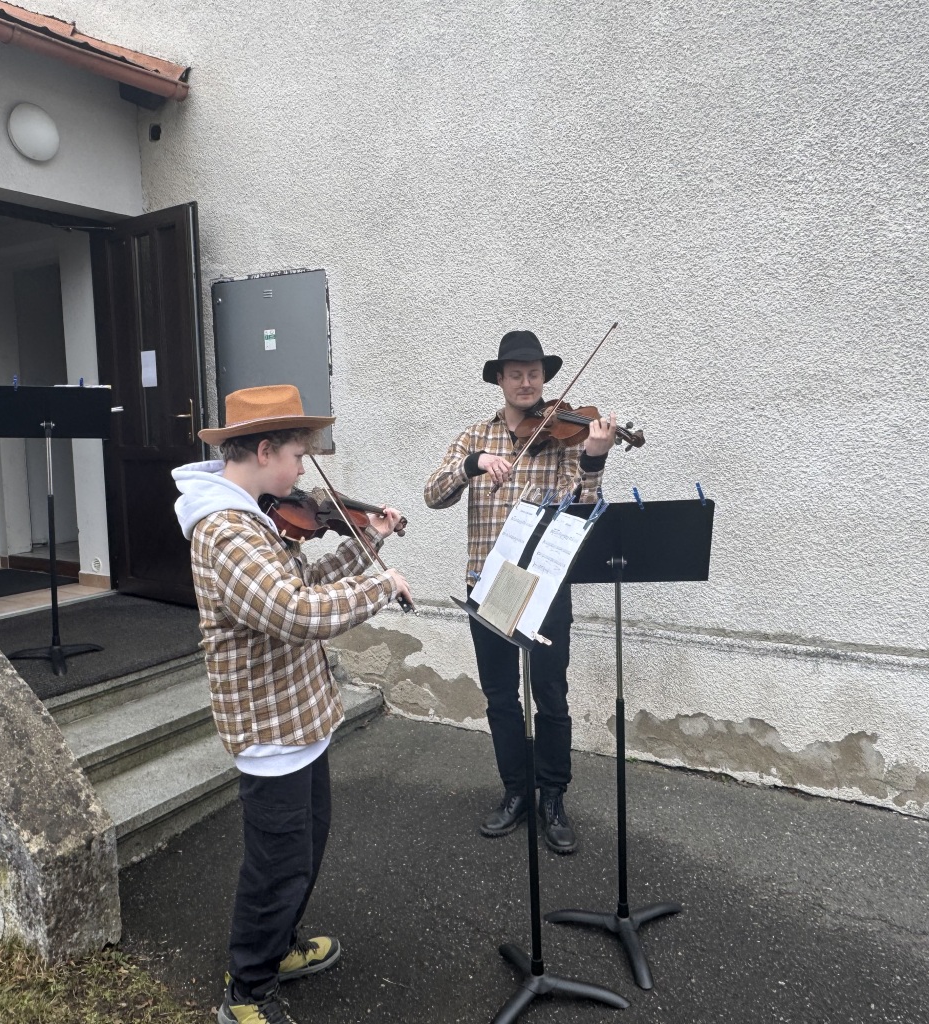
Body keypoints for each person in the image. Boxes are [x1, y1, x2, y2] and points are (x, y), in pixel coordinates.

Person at [174, 384, 411, 1024]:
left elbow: (302, 582)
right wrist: (380, 588)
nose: (304, 470)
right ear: (265, 450)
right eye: (298, 455)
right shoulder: (226, 532)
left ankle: (276, 950)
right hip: (269, 728)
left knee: (302, 855)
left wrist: (368, 544)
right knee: (275, 869)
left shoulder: (256, 518)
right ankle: (247, 992)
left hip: (299, 719)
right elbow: (294, 612)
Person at [424, 330, 616, 855]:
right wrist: (472, 464)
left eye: (534, 374)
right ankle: (515, 791)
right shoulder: (473, 436)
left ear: (544, 378)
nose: (526, 382)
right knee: (501, 697)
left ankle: (553, 797)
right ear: (501, 380)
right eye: (516, 374)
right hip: (487, 582)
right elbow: (433, 494)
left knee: (551, 694)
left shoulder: (562, 437)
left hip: (542, 584)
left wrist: (594, 459)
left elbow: (584, 505)